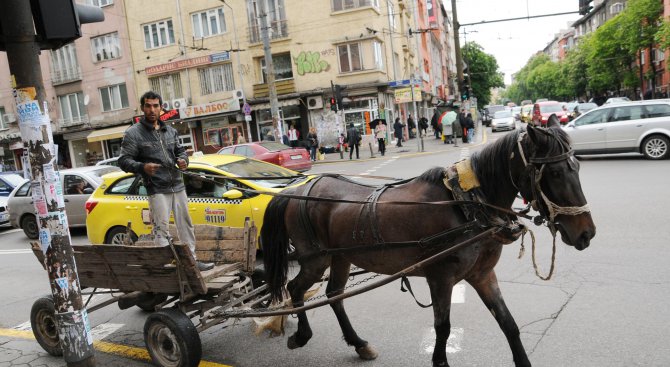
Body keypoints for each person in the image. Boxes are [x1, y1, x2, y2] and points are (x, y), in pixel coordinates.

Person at [118, 91, 213, 271]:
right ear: (142, 108)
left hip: (177, 184)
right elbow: (123, 161)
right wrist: (142, 167)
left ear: (161, 108)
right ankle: (165, 265)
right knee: (161, 227)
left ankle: (191, 262)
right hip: (157, 187)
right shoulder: (133, 133)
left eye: (155, 106)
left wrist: (184, 161)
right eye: (148, 106)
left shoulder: (170, 130)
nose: (152, 110)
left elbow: (181, 151)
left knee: (185, 224)